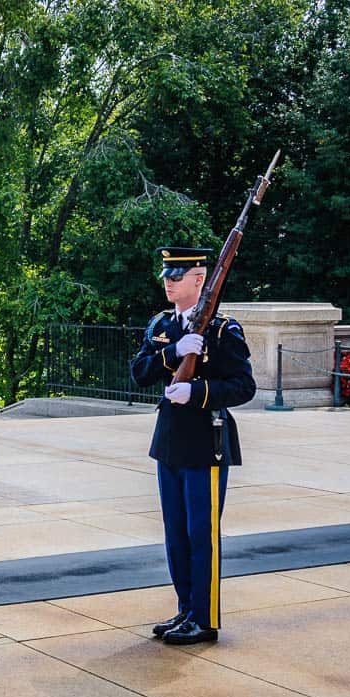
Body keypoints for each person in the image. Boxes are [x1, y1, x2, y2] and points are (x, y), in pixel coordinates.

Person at [131, 247, 256, 645]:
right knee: (176, 533)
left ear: (200, 280)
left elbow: (243, 386)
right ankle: (185, 608)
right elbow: (139, 372)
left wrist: (198, 391)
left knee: (203, 534)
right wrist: (173, 353)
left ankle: (204, 618)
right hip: (169, 443)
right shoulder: (162, 325)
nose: (168, 281)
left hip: (206, 443)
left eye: (177, 275)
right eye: (167, 275)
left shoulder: (221, 330)